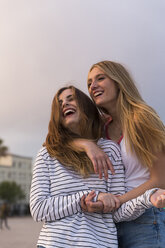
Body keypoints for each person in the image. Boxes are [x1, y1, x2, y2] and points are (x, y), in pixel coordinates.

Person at [30, 85, 165, 248]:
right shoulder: (47, 153)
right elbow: (38, 208)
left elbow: (117, 210)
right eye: (59, 103)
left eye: (70, 98)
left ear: (85, 105)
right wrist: (88, 198)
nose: (64, 104)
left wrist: (148, 197)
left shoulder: (110, 150)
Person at [72, 61, 165, 248]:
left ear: (118, 81)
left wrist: (116, 201)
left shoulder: (141, 118)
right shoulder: (100, 128)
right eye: (89, 82)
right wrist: (88, 145)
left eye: (100, 78)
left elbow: (160, 179)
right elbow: (57, 141)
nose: (93, 86)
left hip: (145, 216)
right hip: (111, 222)